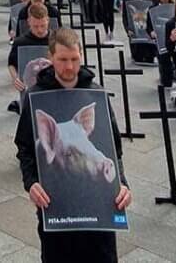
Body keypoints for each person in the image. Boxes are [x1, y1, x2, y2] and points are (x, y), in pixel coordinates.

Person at [14, 28, 132, 262]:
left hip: (98, 205)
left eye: (75, 59)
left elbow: (113, 147)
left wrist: (123, 183)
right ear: (51, 58)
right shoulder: (36, 95)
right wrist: (32, 183)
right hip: (57, 202)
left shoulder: (95, 94)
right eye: (63, 60)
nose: (69, 67)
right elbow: (25, 148)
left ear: (82, 55)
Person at [6, 3, 52, 114]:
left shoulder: (55, 39)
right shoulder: (20, 42)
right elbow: (11, 63)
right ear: (29, 22)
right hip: (30, 87)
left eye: (43, 25)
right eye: (36, 26)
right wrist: (15, 78)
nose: (40, 30)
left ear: (48, 20)